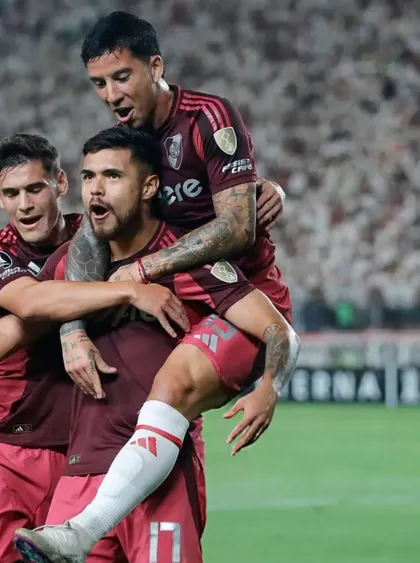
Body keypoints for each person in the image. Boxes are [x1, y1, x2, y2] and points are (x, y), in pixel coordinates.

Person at [0, 127, 298, 563]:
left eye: (113, 177)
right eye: (91, 177)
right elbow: (16, 324)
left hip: (154, 462)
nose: (98, 190)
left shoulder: (178, 256)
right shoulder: (54, 259)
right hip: (56, 458)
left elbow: (267, 311)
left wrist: (264, 191)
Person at [0, 133, 189, 562]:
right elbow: (27, 309)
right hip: (8, 442)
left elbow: (165, 209)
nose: (25, 203)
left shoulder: (100, 231)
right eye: (12, 193)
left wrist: (257, 194)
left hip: (83, 453)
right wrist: (123, 296)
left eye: (35, 188)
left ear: (61, 184)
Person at [58, 9, 290, 450]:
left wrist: (142, 269)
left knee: (168, 395)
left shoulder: (208, 117)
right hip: (171, 297)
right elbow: (92, 234)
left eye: (121, 77)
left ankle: (84, 524)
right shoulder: (124, 140)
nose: (111, 94)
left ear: (156, 67)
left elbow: (238, 229)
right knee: (120, 412)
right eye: (100, 83)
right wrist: (73, 333)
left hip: (240, 296)